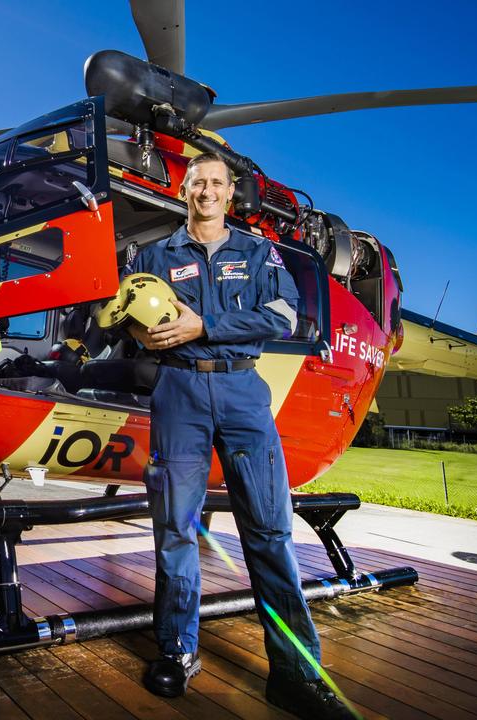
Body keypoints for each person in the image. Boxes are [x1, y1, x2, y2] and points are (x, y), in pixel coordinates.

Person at [128, 152, 353, 719]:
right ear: (184, 191)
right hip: (178, 394)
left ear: (231, 194)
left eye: (217, 183)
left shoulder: (258, 252)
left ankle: (296, 673)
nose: (206, 190)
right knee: (176, 531)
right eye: (197, 182)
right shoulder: (152, 256)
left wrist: (206, 325)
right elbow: (132, 319)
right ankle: (178, 651)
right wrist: (143, 338)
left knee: (270, 532)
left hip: (242, 395)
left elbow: (283, 315)